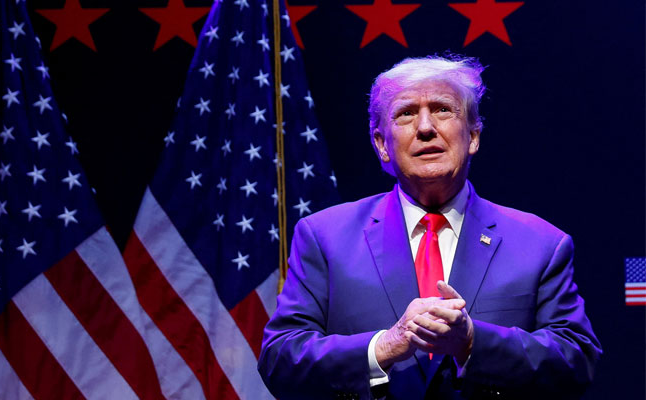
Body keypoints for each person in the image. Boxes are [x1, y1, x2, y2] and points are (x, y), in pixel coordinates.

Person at [257, 55, 601, 400]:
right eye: (406, 113)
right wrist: (383, 347)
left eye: (442, 110)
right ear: (381, 144)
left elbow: (576, 362)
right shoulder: (324, 237)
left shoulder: (541, 243)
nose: (425, 127)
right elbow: (279, 359)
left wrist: (471, 341)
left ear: (473, 136)